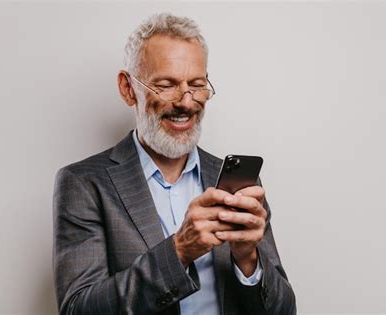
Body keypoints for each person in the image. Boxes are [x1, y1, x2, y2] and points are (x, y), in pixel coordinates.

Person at [53, 13, 296, 315]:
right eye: (166, 85)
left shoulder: (239, 185)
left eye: (196, 84)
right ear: (128, 88)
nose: (186, 101)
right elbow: (79, 310)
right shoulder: (85, 184)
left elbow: (284, 310)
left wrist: (248, 259)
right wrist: (179, 250)